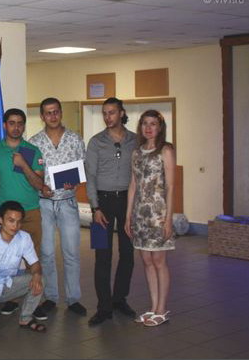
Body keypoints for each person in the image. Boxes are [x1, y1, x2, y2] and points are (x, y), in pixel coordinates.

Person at [29, 97, 87, 319]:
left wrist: (76, 182)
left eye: (55, 112)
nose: (52, 116)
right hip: (43, 203)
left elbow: (83, 167)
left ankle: (73, 298)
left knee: (71, 252)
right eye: (48, 112)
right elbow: (28, 174)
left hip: (67, 202)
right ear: (42, 116)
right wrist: (40, 185)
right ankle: (51, 297)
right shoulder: (33, 142)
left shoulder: (75, 139)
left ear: (61, 113)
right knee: (46, 253)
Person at [0, 108, 46, 318]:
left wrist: (23, 164)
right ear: (5, 125)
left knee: (33, 258)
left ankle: (35, 301)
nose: (16, 127)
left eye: (20, 123)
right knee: (6, 259)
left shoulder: (32, 150)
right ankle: (11, 299)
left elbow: (39, 184)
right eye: (11, 123)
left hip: (30, 212)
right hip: (5, 215)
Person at [85, 98, 137, 326]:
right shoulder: (96, 142)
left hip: (127, 201)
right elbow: (91, 177)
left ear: (121, 113)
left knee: (128, 254)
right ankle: (104, 307)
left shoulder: (135, 141)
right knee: (102, 256)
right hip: (102, 203)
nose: (108, 117)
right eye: (104, 113)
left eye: (112, 112)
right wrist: (95, 207)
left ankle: (119, 299)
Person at [124, 110, 176, 327]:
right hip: (140, 215)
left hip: (158, 214)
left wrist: (168, 219)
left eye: (153, 123)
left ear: (160, 127)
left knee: (159, 261)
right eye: (145, 123)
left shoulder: (165, 150)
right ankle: (153, 307)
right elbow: (133, 185)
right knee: (146, 261)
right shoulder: (136, 152)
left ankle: (162, 309)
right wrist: (128, 216)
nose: (148, 127)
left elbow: (171, 186)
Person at [0, 201, 46, 333]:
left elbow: (35, 264)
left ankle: (25, 318)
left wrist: (37, 275)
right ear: (0, 220)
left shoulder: (24, 238)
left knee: (40, 280)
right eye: (11, 221)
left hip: (8, 285)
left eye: (19, 222)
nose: (15, 226)